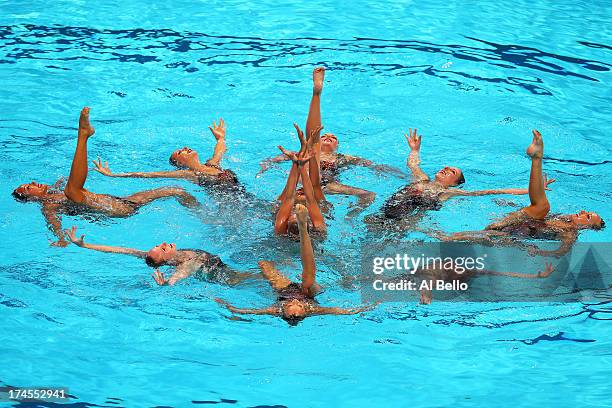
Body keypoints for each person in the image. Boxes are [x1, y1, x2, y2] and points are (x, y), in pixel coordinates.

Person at [12, 107, 201, 247]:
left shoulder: (55, 190)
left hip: (122, 201)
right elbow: (54, 223)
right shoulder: (48, 205)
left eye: (29, 183)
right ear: (32, 198)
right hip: (114, 210)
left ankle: (204, 215)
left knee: (176, 190)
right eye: (29, 188)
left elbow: (61, 182)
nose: (33, 183)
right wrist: (61, 239)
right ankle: (83, 135)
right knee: (73, 191)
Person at [431, 130, 605, 257]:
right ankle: (536, 159)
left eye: (588, 217)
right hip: (515, 225)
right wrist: (511, 204)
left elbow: (561, 252)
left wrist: (541, 253)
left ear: (586, 227)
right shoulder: (562, 218)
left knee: (450, 238)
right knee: (540, 207)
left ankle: (537, 158)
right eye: (587, 212)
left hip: (510, 235)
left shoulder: (570, 233)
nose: (583, 212)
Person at [258, 67, 405, 217]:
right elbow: (279, 158)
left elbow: (371, 164)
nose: (328, 137)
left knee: (369, 195)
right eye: (324, 136)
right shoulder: (301, 153)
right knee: (308, 154)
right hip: (305, 182)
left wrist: (389, 170)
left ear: (337, 145)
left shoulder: (343, 157)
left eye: (333, 138)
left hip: (329, 184)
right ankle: (316, 94)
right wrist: (266, 164)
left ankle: (350, 216)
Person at [216, 204, 377, 325]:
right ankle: (303, 229)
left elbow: (249, 311)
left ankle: (285, 258)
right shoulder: (313, 309)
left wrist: (229, 308)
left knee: (263, 264)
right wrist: (369, 306)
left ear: (283, 310)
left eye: (290, 304)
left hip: (285, 288)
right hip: (310, 292)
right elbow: (343, 311)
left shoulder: (274, 310)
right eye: (299, 305)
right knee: (308, 278)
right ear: (305, 309)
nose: (294, 302)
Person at [65, 226, 250, 286]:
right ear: (167, 260)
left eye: (157, 246)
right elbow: (178, 276)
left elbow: (121, 250)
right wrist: (166, 284)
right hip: (228, 278)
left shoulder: (171, 256)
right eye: (162, 250)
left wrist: (85, 245)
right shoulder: (187, 263)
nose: (162, 244)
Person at [92, 118, 241, 191]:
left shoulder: (211, 164)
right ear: (180, 164)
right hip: (231, 207)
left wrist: (220, 137)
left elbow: (220, 150)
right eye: (179, 152)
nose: (185, 147)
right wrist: (113, 175)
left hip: (244, 196)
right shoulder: (190, 174)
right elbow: (148, 174)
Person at [274, 124, 327, 236]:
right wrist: (308, 149)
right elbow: (311, 197)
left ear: (287, 222)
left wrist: (298, 159)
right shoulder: (319, 229)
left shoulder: (280, 228)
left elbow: (289, 198)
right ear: (309, 222)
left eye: (294, 212)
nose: (300, 189)